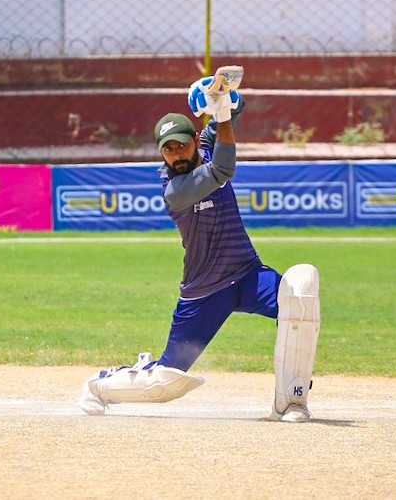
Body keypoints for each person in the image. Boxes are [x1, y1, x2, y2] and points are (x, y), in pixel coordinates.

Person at [79, 70, 321, 421]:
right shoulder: (175, 191)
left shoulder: (206, 145)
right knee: (165, 381)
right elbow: (223, 169)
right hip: (205, 291)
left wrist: (217, 95)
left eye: (182, 145)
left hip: (248, 275)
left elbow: (235, 110)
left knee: (299, 296)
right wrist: (219, 114)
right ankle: (99, 386)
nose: (176, 154)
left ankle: (291, 400)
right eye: (168, 149)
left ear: (194, 140)